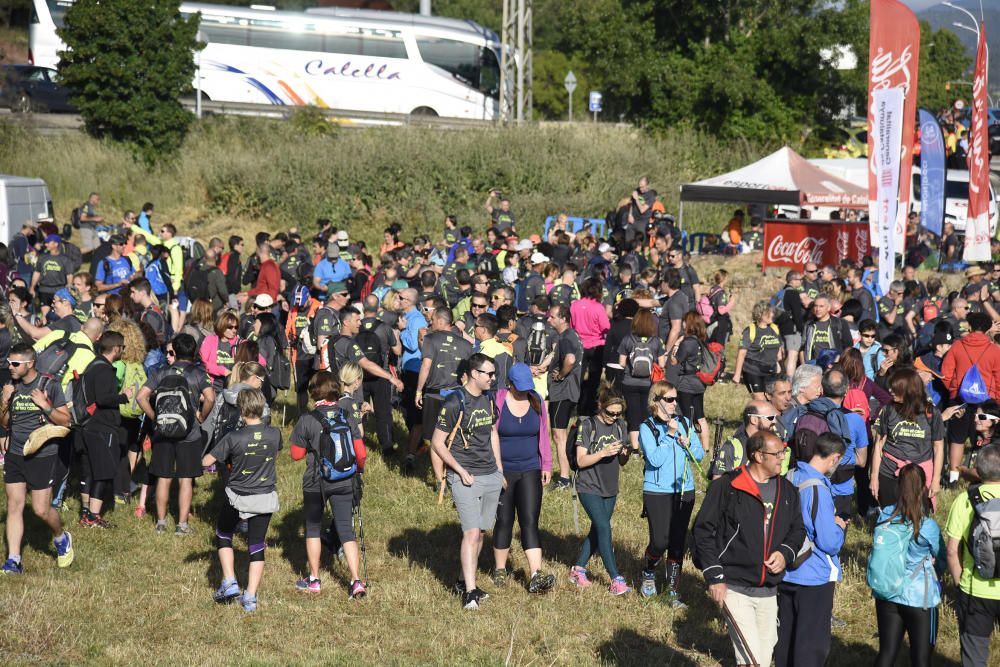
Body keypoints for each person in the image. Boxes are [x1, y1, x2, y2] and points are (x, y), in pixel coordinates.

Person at [692, 431, 805, 667]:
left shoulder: (788, 490)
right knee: (751, 657)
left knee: (763, 658)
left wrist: (785, 553)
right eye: (776, 454)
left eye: (783, 453)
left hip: (769, 589)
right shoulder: (728, 486)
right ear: (757, 456)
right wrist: (715, 577)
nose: (782, 458)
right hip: (732, 585)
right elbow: (703, 531)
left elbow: (797, 530)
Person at [430, 353, 502, 610]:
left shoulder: (489, 398)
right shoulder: (454, 402)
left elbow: (493, 433)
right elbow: (438, 443)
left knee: (481, 533)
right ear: (474, 374)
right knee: (470, 532)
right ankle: (470, 591)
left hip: (490, 474)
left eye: (494, 374)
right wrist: (459, 471)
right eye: (489, 374)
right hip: (466, 477)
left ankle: (463, 580)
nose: (493, 378)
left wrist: (500, 471)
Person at [203, 388, 282, 613]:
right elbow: (274, 455)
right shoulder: (275, 433)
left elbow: (207, 459)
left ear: (242, 409)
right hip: (265, 497)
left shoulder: (234, 437)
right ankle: (250, 597)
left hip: (238, 497)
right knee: (256, 546)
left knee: (223, 533)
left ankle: (229, 581)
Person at [0, 342, 75, 574]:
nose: (9, 367)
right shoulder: (11, 386)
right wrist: (4, 401)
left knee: (41, 510)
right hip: (15, 453)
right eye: (8, 362)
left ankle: (61, 538)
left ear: (30, 364)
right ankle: (14, 560)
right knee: (14, 505)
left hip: (42, 454)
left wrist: (45, 405)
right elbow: (5, 423)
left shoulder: (49, 385)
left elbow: (66, 421)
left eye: (15, 363)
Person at [774, 433, 848, 667]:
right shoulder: (818, 489)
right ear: (834, 458)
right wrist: (839, 527)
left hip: (786, 569)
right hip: (813, 576)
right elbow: (829, 542)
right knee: (811, 645)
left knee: (785, 637)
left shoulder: (789, 476)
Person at [136, 333, 216, 534]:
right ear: (194, 352)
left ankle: (161, 523)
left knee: (163, 477)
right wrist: (200, 416)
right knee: (186, 479)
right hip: (189, 433)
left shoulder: (161, 372)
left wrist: (155, 418)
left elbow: (141, 397)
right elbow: (211, 398)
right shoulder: (198, 374)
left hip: (163, 432)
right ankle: (182, 525)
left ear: (174, 351)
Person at [490, 363, 556, 594]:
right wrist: (495, 470)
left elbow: (544, 435)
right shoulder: (497, 400)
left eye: (527, 387)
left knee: (529, 520)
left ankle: (536, 574)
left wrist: (546, 464)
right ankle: (500, 568)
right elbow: (490, 436)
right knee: (504, 520)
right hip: (503, 469)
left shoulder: (536, 400)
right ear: (510, 384)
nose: (524, 392)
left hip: (530, 468)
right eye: (520, 388)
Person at [638, 381, 704, 605]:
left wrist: (688, 443)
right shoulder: (648, 427)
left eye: (676, 399)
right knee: (660, 540)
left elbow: (699, 454)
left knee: (677, 542)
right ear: (656, 401)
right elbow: (655, 460)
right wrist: (669, 436)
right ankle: (648, 571)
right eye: (669, 399)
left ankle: (672, 592)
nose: (675, 403)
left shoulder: (684, 422)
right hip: (657, 491)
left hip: (685, 490)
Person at [874, 464, 945, 667]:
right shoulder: (927, 526)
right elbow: (941, 558)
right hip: (919, 598)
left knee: (886, 653)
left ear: (898, 486)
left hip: (887, 592)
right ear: (923, 488)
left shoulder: (885, 516)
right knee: (921, 659)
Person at [568, 382, 633, 595]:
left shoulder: (620, 426)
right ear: (600, 405)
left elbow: (622, 462)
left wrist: (624, 454)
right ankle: (615, 578)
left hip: (610, 487)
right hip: (589, 485)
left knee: (597, 529)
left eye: (618, 414)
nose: (613, 417)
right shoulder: (588, 425)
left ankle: (578, 569)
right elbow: (580, 460)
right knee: (604, 528)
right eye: (610, 413)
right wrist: (603, 452)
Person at [945, 443, 1000, 667]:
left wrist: (960, 583)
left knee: (974, 654)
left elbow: (951, 550)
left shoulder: (966, 500)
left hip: (975, 588)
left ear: (978, 469)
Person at [78, 331, 133, 528]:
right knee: (102, 473)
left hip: (88, 426)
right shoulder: (104, 371)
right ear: (116, 348)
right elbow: (103, 399)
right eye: (122, 347)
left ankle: (86, 513)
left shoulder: (93, 365)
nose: (123, 351)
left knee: (91, 471)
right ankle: (93, 517)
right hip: (102, 427)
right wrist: (123, 396)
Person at [941, 312, 1000, 488]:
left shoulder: (957, 346)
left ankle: (953, 479)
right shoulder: (994, 350)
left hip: (960, 399)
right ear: (989, 327)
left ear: (969, 326)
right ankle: (984, 474)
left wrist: (954, 389)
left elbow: (946, 374)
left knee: (957, 439)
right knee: (984, 438)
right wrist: (996, 399)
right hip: (986, 402)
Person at [870, 368, 945, 507]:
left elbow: (938, 448)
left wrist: (936, 479)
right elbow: (878, 445)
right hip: (889, 472)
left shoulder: (931, 413)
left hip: (919, 473)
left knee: (918, 519)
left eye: (895, 388)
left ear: (909, 390)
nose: (890, 390)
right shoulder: (888, 410)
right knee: (890, 516)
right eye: (890, 386)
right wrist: (874, 477)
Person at [617, 308, 667, 449]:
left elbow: (621, 362)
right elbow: (662, 364)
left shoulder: (627, 339)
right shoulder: (657, 341)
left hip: (629, 382)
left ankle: (634, 448)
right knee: (646, 415)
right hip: (648, 384)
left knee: (633, 415)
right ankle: (647, 445)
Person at [547, 303, 584, 488]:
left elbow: (570, 360)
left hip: (562, 392)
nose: (548, 319)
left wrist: (560, 375)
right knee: (560, 434)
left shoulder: (566, 337)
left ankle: (564, 477)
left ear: (563, 318)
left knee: (558, 435)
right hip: (571, 390)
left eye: (552, 317)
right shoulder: (572, 335)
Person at [570, 277, 610, 417]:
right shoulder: (598, 307)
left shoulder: (574, 305)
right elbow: (605, 327)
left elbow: (571, 325)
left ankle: (575, 406)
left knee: (577, 378)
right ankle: (590, 407)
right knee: (594, 380)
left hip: (579, 345)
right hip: (596, 346)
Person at [671, 311, 710, 446]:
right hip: (700, 382)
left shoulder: (687, 343)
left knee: (687, 418)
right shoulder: (702, 341)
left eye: (684, 321)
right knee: (701, 417)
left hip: (687, 383)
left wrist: (676, 345)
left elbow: (674, 361)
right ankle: (706, 448)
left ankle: (692, 445)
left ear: (688, 324)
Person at [733, 301, 783, 400]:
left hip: (771, 370)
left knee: (771, 400)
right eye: (770, 312)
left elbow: (778, 348)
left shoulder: (774, 329)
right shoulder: (750, 331)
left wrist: (778, 364)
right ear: (761, 314)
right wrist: (737, 374)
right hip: (753, 370)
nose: (772, 314)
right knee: (760, 399)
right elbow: (742, 353)